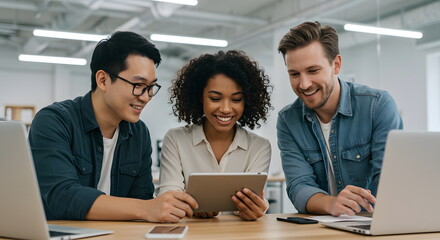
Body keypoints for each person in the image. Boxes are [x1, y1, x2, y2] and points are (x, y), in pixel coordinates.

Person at [28, 31, 198, 222]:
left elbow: (141, 199)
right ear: (103, 80)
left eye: (151, 87)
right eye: (138, 85)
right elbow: (62, 196)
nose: (145, 97)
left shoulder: (138, 133)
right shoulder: (54, 121)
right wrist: (146, 208)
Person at [276, 21, 403, 216]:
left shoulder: (377, 106)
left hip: (372, 223)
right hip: (322, 229)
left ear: (336, 65)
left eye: (313, 71)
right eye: (294, 74)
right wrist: (331, 203)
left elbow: (389, 180)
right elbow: (299, 186)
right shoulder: (288, 120)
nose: (304, 84)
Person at [157, 50, 273, 221]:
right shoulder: (176, 139)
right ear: (200, 98)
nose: (226, 109)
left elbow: (251, 200)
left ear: (247, 101)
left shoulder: (259, 147)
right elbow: (169, 196)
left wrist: (255, 207)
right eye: (215, 98)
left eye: (236, 99)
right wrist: (190, 207)